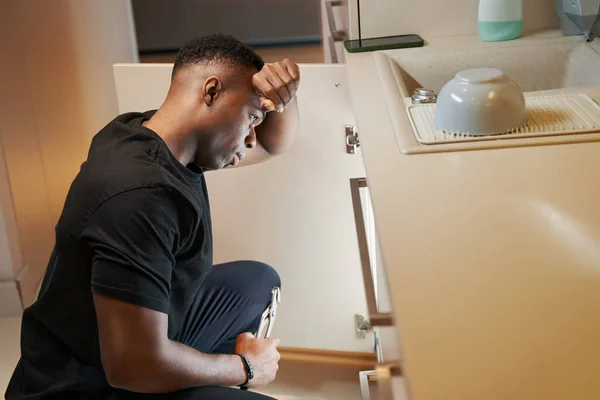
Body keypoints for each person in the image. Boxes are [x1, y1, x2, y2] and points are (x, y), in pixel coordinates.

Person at [5, 34, 301, 400]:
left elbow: (275, 144)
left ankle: (188, 377)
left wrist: (284, 97)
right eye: (253, 118)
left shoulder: (141, 133)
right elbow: (133, 366)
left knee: (256, 282)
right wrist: (244, 368)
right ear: (211, 93)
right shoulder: (139, 197)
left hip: (126, 352)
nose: (254, 138)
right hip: (88, 386)